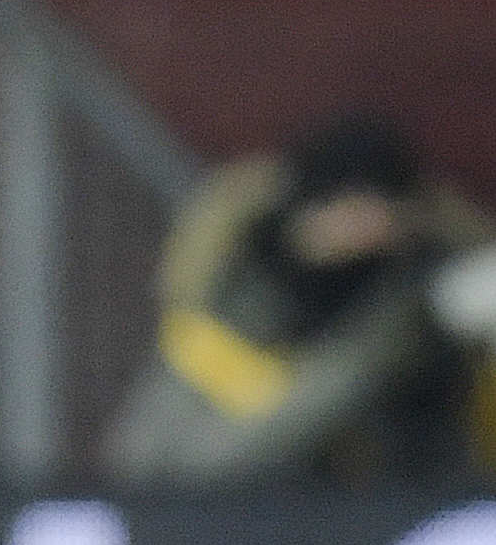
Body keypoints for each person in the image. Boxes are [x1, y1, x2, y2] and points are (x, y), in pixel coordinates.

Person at [103, 113, 496, 490]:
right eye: (346, 209)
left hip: (392, 493)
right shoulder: (240, 277)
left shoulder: (413, 294)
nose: (360, 228)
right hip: (212, 483)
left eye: (374, 211)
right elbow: (166, 451)